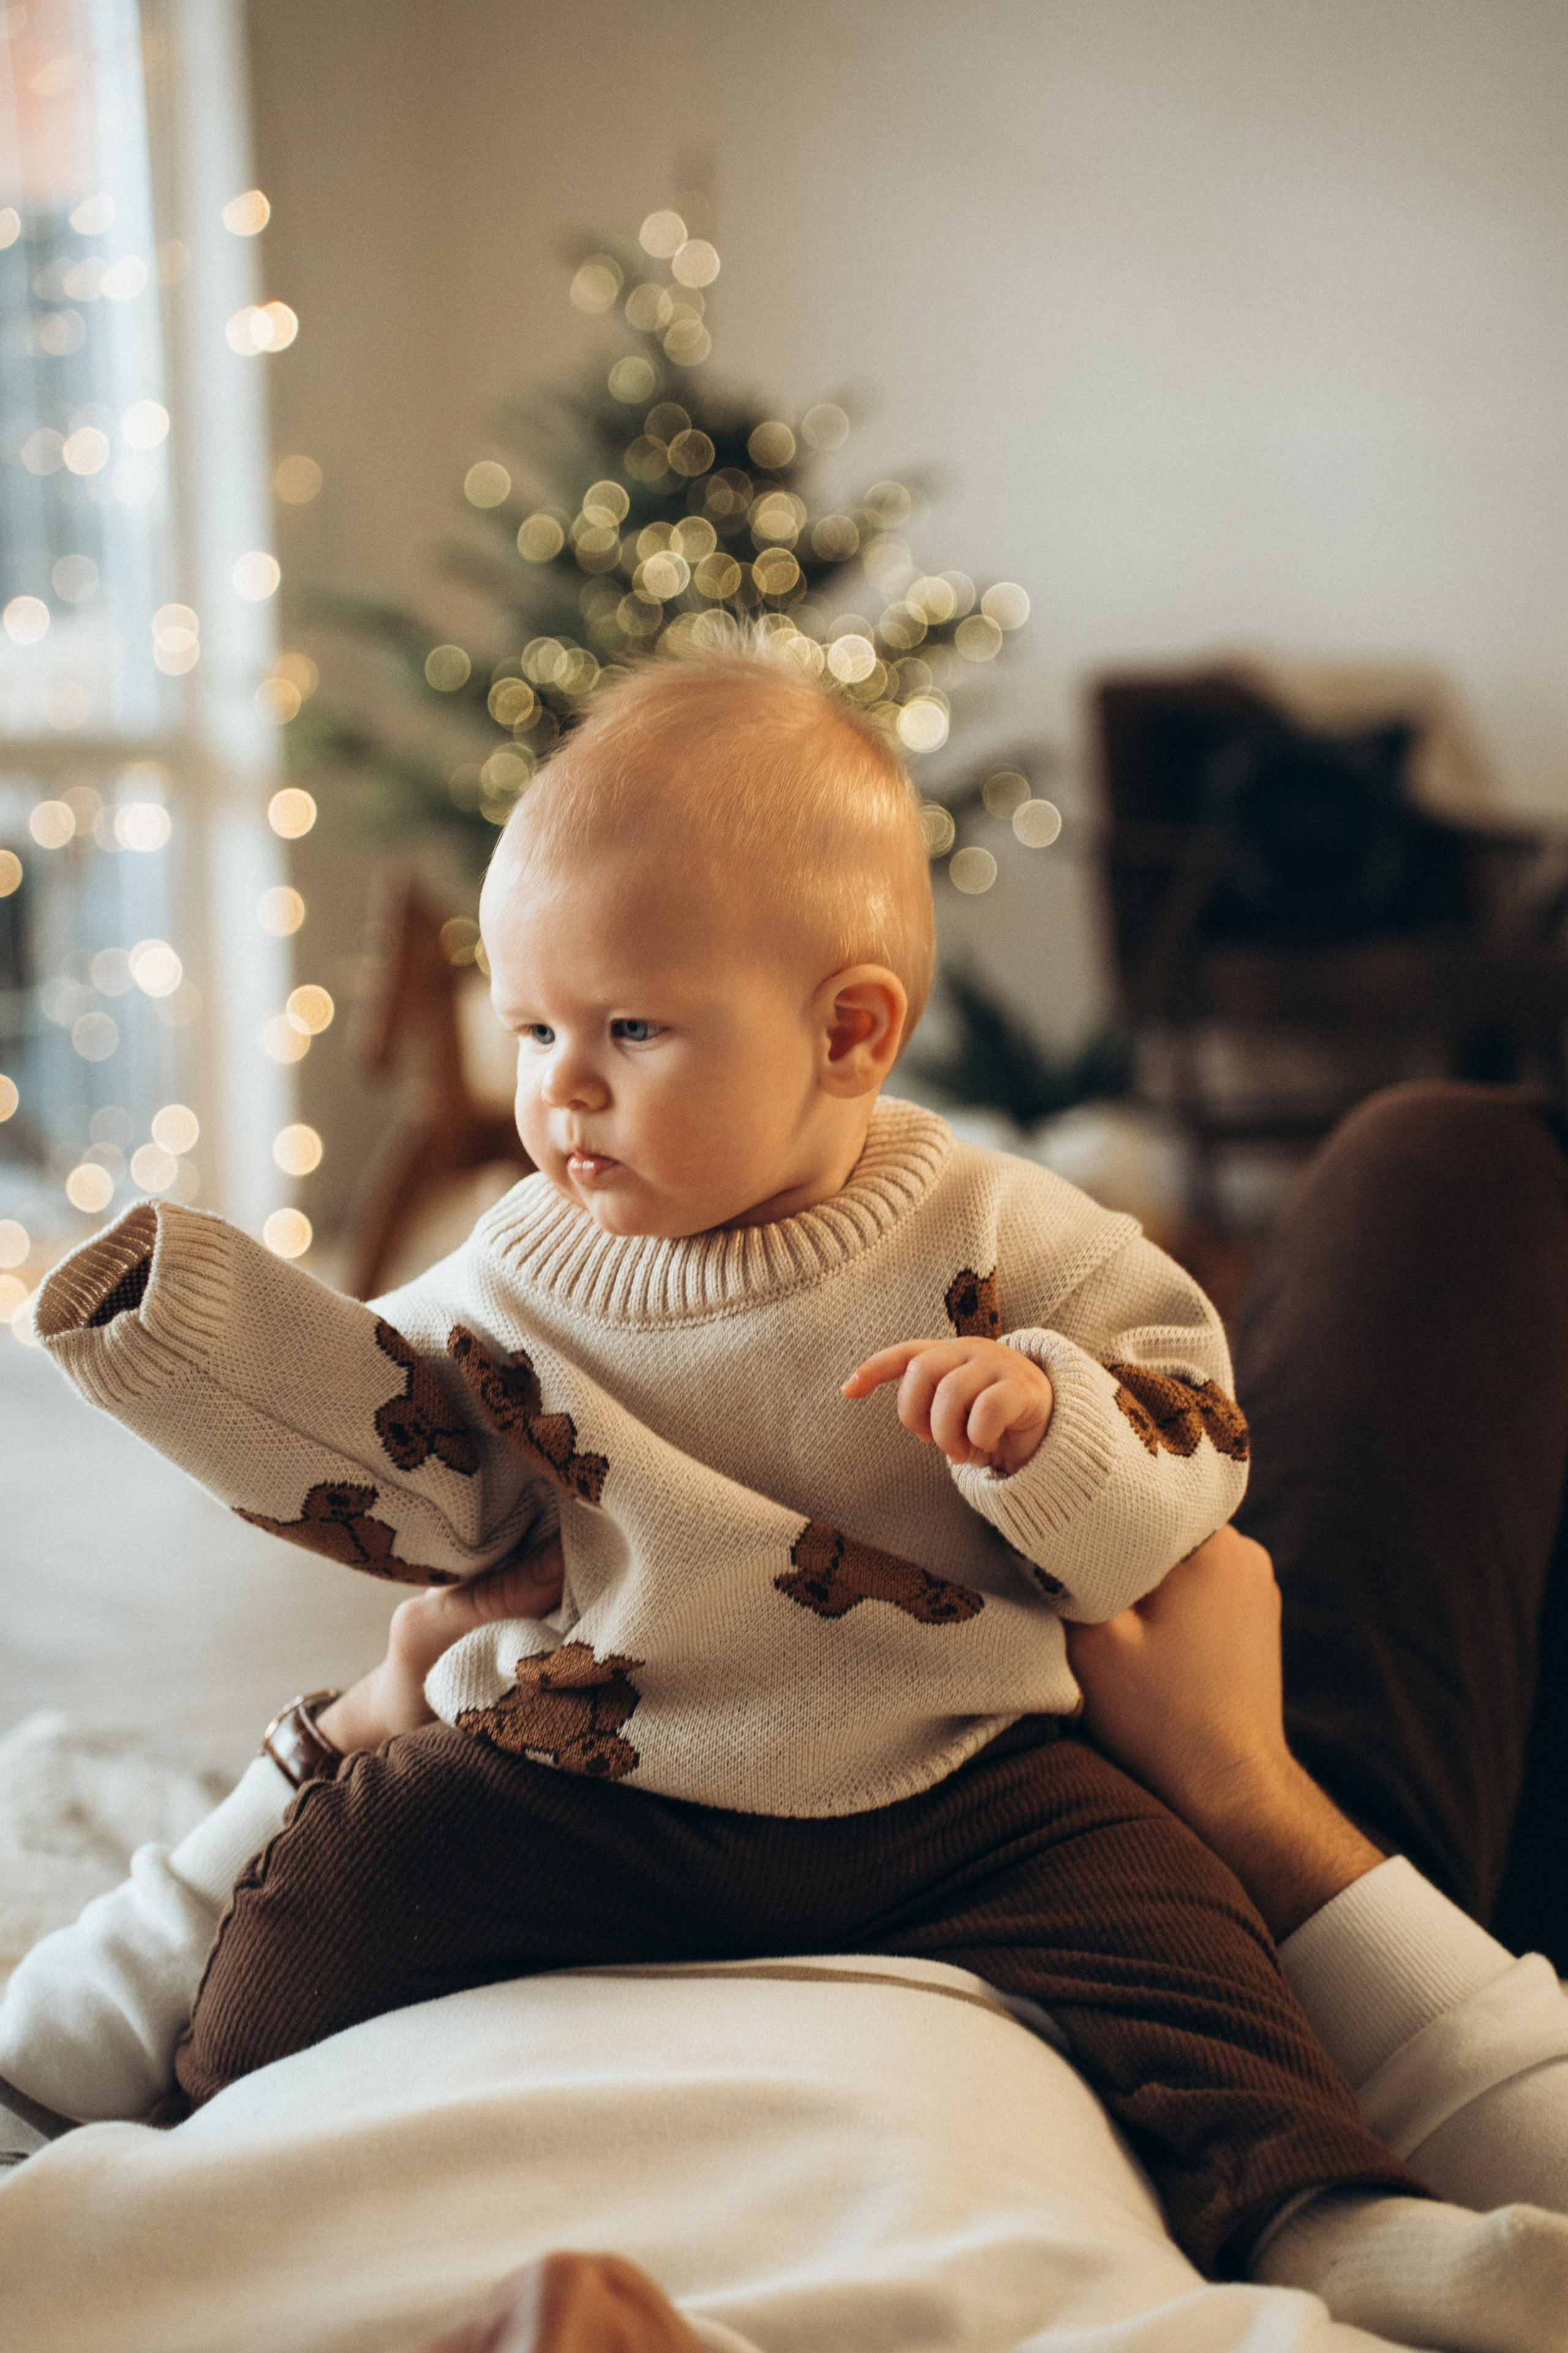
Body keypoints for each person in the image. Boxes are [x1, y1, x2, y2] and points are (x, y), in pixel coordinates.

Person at [9, 659, 1566, 2350]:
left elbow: (1185, 1458)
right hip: (586, 1783)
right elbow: (420, 1486)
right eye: (531, 1029)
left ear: (851, 1032)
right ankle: (213, 2082)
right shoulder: (512, 1271)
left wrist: (1055, 1436)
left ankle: (1322, 2213)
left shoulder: (1003, 1232)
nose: (560, 1090)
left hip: (955, 1781)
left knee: (1179, 1943)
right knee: (332, 1895)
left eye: (627, 1029)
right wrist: (186, 1339)